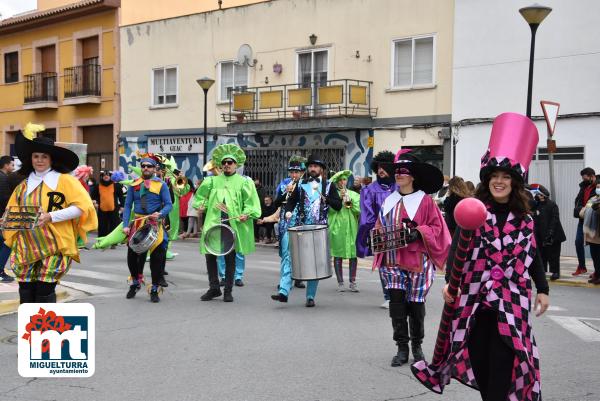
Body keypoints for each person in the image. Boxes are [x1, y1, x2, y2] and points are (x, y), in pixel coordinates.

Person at [412, 112, 550, 401]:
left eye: (505, 177)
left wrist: (543, 289)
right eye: (494, 177)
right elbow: (458, 251)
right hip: (474, 304)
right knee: (483, 368)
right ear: (487, 181)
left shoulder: (525, 220)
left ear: (514, 182)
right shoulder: (474, 212)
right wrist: (451, 282)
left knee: (503, 368)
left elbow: (533, 254)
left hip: (510, 304)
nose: (499, 182)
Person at [2, 124, 97, 303]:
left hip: (55, 246)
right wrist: (7, 221)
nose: (39, 160)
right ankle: (29, 330)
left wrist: (51, 216)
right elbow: (12, 212)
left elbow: (83, 207)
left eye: (44, 156)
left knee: (44, 292)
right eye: (36, 156)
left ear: (51, 159)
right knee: (26, 293)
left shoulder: (65, 181)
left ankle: (46, 330)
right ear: (30, 159)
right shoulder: (23, 186)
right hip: (26, 247)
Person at [373, 149, 450, 367]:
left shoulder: (425, 202)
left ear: (413, 176)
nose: (399, 175)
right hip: (392, 261)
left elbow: (437, 228)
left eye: (404, 171)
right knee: (397, 304)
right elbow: (379, 228)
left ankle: (417, 346)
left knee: (415, 306)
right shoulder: (389, 200)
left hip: (417, 262)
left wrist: (419, 232)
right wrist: (375, 241)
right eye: (397, 171)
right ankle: (402, 348)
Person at [195, 144, 261, 302]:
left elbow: (251, 203)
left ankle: (228, 291)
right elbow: (199, 199)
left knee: (230, 257)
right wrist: (200, 205)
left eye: (230, 162)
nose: (226, 164)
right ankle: (214, 288)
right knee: (210, 256)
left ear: (236, 164)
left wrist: (247, 214)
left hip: (231, 225)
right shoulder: (211, 181)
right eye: (224, 162)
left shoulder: (244, 182)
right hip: (213, 223)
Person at [278, 154, 342, 307]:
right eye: (310, 166)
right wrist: (288, 211)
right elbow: (291, 201)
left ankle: (310, 296)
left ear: (321, 169)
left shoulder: (328, 185)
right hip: (300, 226)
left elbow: (338, 206)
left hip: (319, 229)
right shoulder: (300, 184)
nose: (313, 168)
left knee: (315, 263)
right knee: (290, 257)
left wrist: (327, 198)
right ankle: (283, 291)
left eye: (316, 166)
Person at [122, 154, 173, 303]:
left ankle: (155, 288)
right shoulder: (134, 184)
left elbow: (169, 204)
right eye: (143, 166)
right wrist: (125, 225)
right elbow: (127, 206)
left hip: (154, 224)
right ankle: (136, 282)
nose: (145, 168)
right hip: (138, 223)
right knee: (132, 257)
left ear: (155, 168)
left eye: (149, 166)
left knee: (156, 259)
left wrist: (160, 214)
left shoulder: (161, 185)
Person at [356, 150, 397, 308]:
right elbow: (367, 215)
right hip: (380, 232)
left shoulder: (400, 187)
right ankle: (388, 295)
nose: (381, 170)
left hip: (399, 231)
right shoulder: (370, 190)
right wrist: (371, 232)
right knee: (383, 264)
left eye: (385, 167)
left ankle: (399, 294)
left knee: (398, 264)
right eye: (379, 167)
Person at [328, 170, 361, 292]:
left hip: (352, 227)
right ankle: (340, 283)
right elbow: (330, 211)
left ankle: (353, 282)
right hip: (338, 227)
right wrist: (338, 200)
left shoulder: (354, 194)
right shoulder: (332, 194)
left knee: (353, 254)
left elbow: (358, 210)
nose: (342, 182)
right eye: (340, 180)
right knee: (338, 254)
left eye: (344, 180)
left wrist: (350, 202)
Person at [530, 184, 566, 280]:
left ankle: (555, 272)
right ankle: (543, 271)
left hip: (553, 234)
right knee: (542, 254)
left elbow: (554, 220)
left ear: (545, 195)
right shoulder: (536, 205)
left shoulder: (552, 204)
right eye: (538, 195)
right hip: (540, 234)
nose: (540, 197)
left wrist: (550, 233)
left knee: (554, 254)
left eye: (541, 195)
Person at [573, 167, 596, 276]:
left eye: (585, 178)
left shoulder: (598, 187)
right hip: (582, 219)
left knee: (594, 245)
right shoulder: (583, 187)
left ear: (592, 176)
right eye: (583, 178)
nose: (584, 180)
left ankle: (597, 271)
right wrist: (579, 210)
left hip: (594, 220)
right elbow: (577, 200)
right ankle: (582, 267)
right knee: (578, 242)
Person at [91, 170, 124, 243]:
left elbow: (121, 196)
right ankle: (102, 241)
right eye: (104, 176)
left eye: (108, 175)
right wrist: (95, 202)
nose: (106, 177)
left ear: (110, 177)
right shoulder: (97, 186)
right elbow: (93, 196)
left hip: (114, 209)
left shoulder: (116, 186)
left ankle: (113, 241)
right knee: (102, 226)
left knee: (114, 225)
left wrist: (122, 206)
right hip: (102, 209)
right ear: (102, 177)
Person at [580, 180, 600, 284]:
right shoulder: (593, 199)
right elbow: (583, 212)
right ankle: (596, 275)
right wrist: (582, 211)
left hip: (598, 234)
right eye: (597, 187)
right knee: (595, 257)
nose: (598, 189)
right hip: (592, 235)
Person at [0, 155, 15, 282]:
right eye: (12, 164)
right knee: (7, 243)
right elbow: (5, 200)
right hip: (2, 218)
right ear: (6, 165)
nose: (13, 167)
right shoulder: (3, 179)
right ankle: (0, 271)